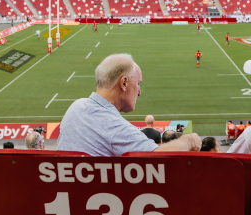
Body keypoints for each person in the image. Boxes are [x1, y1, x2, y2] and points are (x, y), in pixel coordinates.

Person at [56, 54, 200, 156]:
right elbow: (159, 157)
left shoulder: (75, 107)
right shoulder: (114, 127)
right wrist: (190, 139)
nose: (139, 92)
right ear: (124, 83)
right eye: (138, 84)